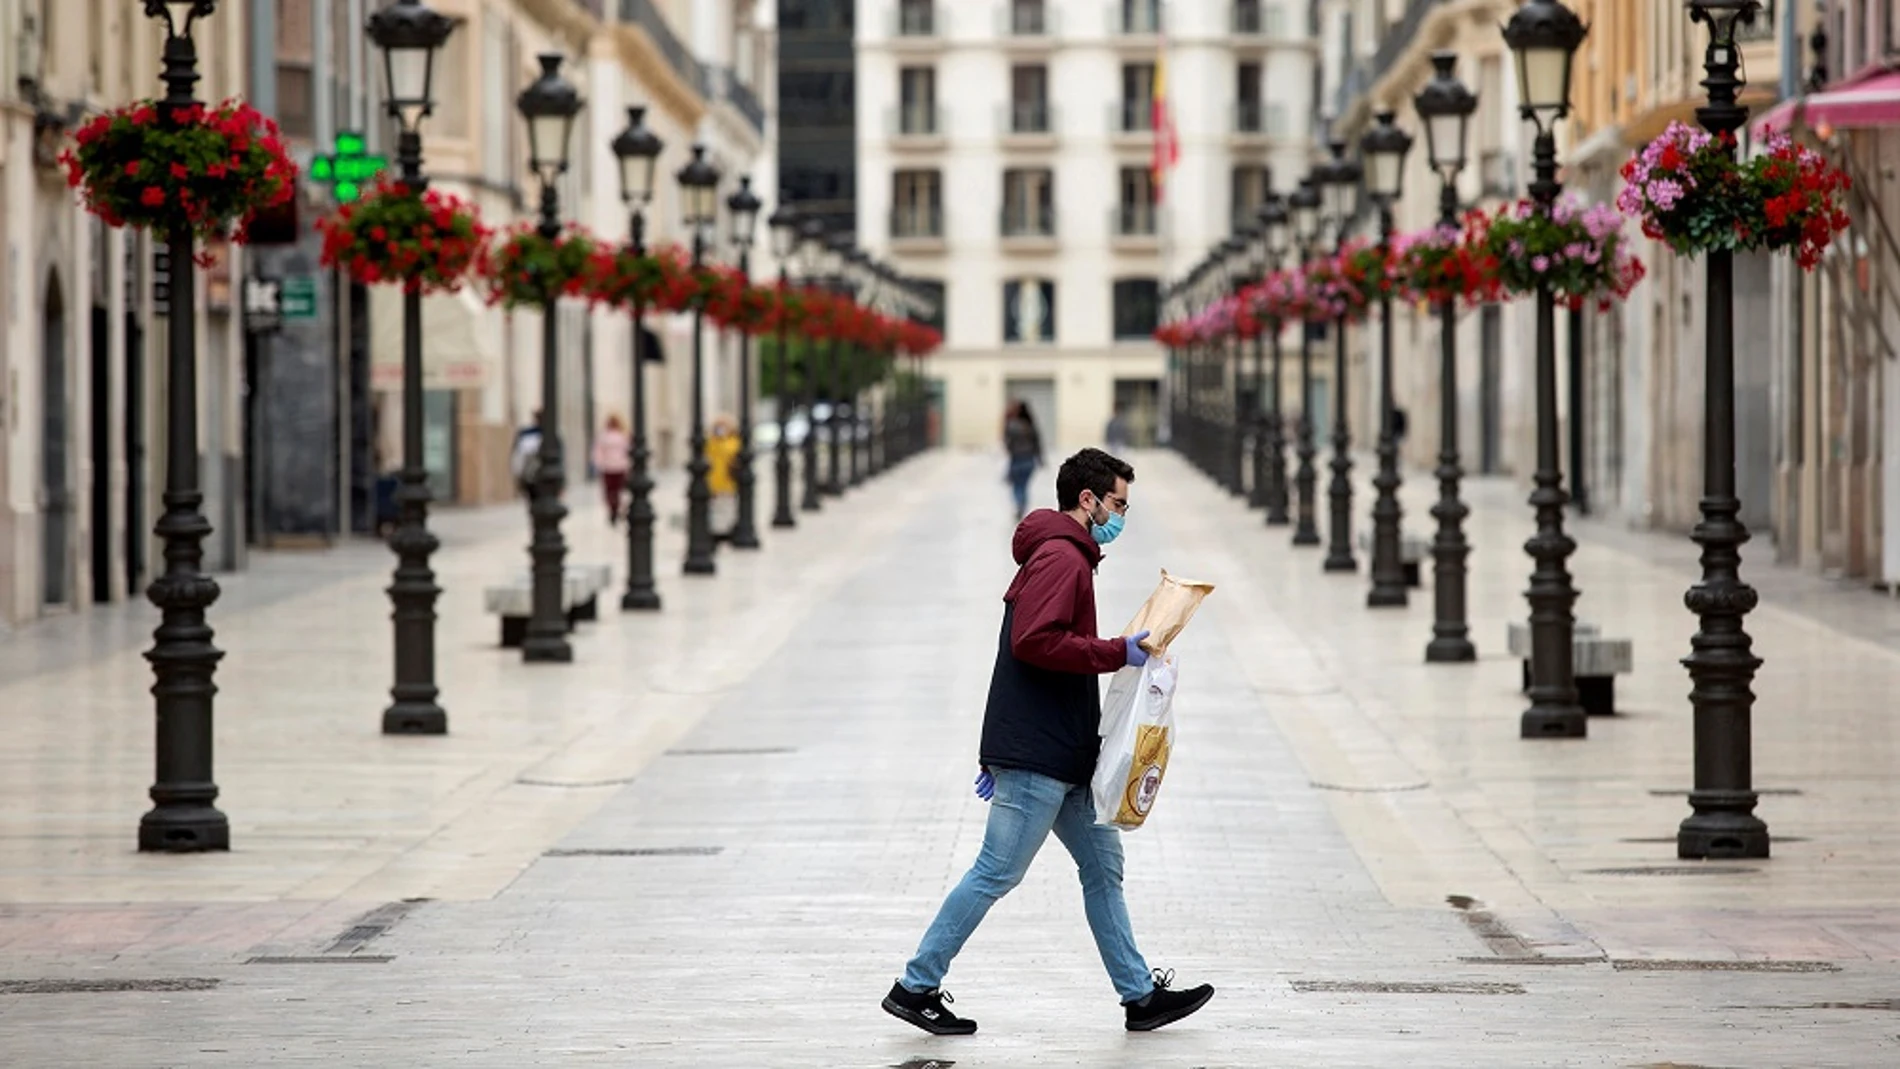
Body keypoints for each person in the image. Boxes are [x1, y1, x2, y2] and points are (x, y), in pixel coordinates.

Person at [882, 448, 1214, 1037]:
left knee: (1102, 867)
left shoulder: (1062, 553)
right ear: (1086, 500)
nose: (1120, 515)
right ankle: (916, 985)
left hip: (1060, 752)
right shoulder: (1062, 557)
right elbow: (1034, 642)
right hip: (1039, 754)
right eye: (1117, 503)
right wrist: (1118, 651)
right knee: (996, 872)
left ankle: (1139, 996)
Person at [1002, 400, 1043, 520]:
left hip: (1016, 459)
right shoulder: (1030, 425)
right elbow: (1037, 443)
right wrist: (1040, 459)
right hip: (1029, 460)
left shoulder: (1011, 425)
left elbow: (1007, 442)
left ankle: (1019, 504)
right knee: (1024, 485)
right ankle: (1022, 505)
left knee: (1016, 485)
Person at [705, 415, 742, 542]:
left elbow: (730, 452)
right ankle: (715, 532)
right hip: (712, 481)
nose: (720, 429)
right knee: (714, 508)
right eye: (718, 426)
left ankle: (725, 532)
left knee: (726, 507)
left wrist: (722, 438)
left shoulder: (733, 442)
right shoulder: (711, 442)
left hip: (727, 482)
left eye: (723, 426)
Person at [592, 414, 631, 526]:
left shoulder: (603, 437)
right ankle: (617, 508)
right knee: (619, 490)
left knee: (609, 491)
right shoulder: (622, 436)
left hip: (608, 468)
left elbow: (598, 452)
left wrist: (599, 464)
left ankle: (613, 509)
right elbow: (627, 451)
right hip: (620, 468)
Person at [511, 410, 544, 499]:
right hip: (531, 475)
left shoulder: (526, 434)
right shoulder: (527, 434)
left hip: (534, 475)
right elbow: (517, 457)